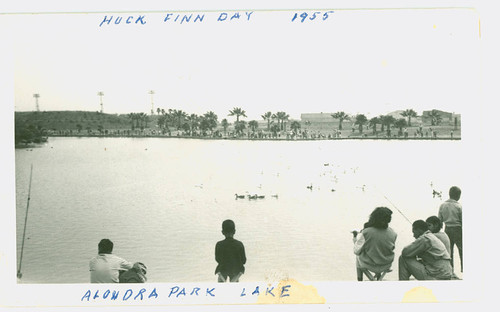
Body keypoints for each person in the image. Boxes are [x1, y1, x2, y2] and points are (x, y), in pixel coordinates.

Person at [353, 207, 397, 281]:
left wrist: (355, 239)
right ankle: (378, 278)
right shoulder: (393, 233)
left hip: (369, 265)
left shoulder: (366, 232)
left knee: (357, 257)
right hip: (386, 264)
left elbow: (356, 251)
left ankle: (359, 280)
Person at [438, 186, 463, 272]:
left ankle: (450, 270)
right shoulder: (459, 206)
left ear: (449, 194)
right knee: (462, 250)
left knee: (448, 251)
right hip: (458, 229)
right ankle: (463, 269)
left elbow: (439, 221)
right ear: (458, 195)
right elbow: (462, 220)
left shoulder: (442, 205)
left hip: (447, 229)